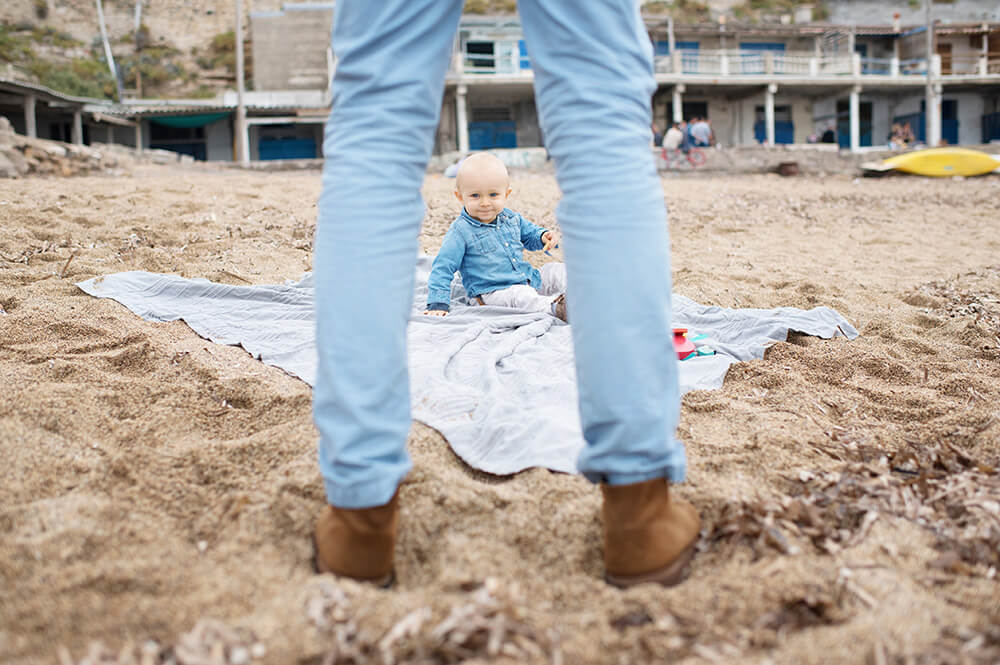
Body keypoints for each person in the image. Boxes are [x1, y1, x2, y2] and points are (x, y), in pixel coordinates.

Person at [312, 0, 700, 589]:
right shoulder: (463, 229)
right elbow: (444, 269)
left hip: (518, 277)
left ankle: (359, 520)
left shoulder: (509, 216)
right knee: (600, 128)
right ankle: (639, 514)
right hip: (501, 295)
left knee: (375, 130)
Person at [423, 153, 567, 321]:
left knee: (556, 270)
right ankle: (557, 307)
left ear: (506, 194)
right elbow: (443, 266)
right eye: (475, 196)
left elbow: (530, 235)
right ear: (460, 196)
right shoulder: (460, 231)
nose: (485, 202)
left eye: (493, 195)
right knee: (522, 296)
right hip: (492, 293)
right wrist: (437, 303)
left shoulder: (511, 218)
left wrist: (543, 236)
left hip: (526, 278)